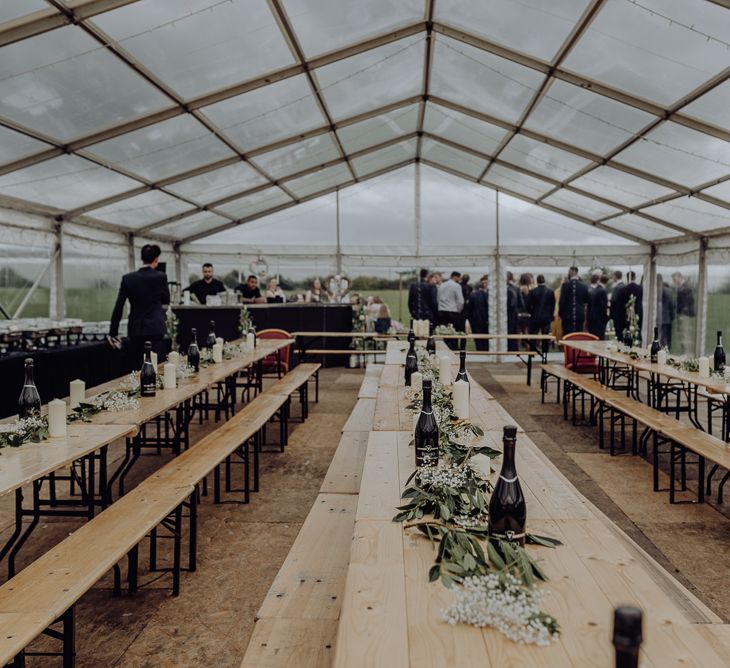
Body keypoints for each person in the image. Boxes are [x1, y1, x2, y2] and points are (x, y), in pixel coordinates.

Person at [108, 244, 170, 367]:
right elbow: (166, 300)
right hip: (155, 327)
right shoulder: (161, 277)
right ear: (156, 260)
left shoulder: (128, 279)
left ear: (142, 259)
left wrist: (113, 332)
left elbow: (119, 306)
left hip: (136, 329)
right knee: (156, 366)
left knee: (138, 366)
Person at [525, 274, 555, 355]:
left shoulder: (533, 292)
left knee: (533, 336)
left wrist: (531, 312)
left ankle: (532, 352)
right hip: (546, 318)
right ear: (544, 281)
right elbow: (553, 305)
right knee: (545, 336)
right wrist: (550, 315)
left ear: (537, 281)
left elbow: (527, 305)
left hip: (535, 317)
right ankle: (545, 353)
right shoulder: (550, 292)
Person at [437, 271, 465, 349]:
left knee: (444, 332)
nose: (459, 279)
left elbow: (438, 298)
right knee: (453, 333)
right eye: (459, 277)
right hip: (452, 311)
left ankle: (445, 348)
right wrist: (459, 310)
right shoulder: (457, 286)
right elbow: (460, 301)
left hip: (442, 311)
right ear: (456, 277)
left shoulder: (442, 285)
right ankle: (454, 349)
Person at [558, 266, 589, 335]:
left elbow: (562, 302)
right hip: (579, 314)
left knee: (567, 335)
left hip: (567, 315)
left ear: (571, 272)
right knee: (578, 335)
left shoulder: (565, 286)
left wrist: (560, 313)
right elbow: (586, 300)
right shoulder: (584, 287)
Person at [673, 271, 695, 355]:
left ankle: (687, 353)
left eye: (675, 279)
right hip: (681, 314)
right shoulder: (681, 287)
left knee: (685, 333)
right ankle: (684, 352)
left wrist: (683, 310)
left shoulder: (686, 287)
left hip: (684, 315)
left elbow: (689, 300)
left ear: (679, 277)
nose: (674, 282)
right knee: (682, 333)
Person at [466, 274, 489, 351]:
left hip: (484, 321)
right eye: (483, 283)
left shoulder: (490, 294)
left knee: (485, 341)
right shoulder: (474, 294)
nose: (484, 284)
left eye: (486, 283)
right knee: (479, 341)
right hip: (477, 321)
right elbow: (469, 309)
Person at [586, 273, 609, 339]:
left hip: (591, 318)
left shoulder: (594, 290)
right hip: (599, 319)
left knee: (592, 337)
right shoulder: (602, 291)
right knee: (600, 338)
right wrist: (606, 318)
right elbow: (603, 307)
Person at [623, 271, 643, 340]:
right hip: (638, 312)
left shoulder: (624, 289)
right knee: (637, 331)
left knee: (628, 332)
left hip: (627, 314)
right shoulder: (640, 288)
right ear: (635, 277)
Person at [656, 273, 675, 349]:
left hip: (662, 318)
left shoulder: (656, 290)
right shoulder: (668, 291)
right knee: (666, 338)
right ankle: (666, 350)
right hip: (667, 318)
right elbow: (672, 305)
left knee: (661, 337)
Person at [506, 271, 524, 351]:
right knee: (513, 336)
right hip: (513, 317)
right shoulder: (516, 288)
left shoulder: (498, 288)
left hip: (506, 317)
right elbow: (521, 304)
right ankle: (513, 351)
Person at [609, 270, 626, 340]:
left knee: (619, 334)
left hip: (617, 314)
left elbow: (613, 301)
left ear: (615, 276)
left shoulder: (617, 288)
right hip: (624, 314)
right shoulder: (625, 286)